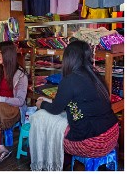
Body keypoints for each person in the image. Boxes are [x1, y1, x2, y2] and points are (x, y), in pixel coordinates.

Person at [29, 40, 119, 171]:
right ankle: (62, 161)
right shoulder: (96, 76)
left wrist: (41, 104)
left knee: (41, 119)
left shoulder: (69, 80)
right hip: (112, 135)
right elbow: (73, 103)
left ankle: (48, 163)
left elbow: (55, 110)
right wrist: (47, 103)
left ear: (69, 58)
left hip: (92, 143)